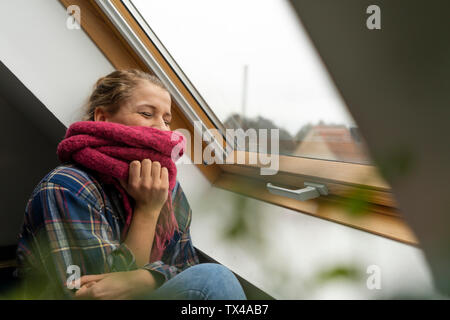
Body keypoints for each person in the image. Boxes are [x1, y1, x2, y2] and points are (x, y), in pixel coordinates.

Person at [15, 69, 246, 300]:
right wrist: (148, 210)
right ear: (103, 119)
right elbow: (97, 294)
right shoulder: (66, 187)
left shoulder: (167, 187)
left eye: (167, 120)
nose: (162, 128)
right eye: (147, 114)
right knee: (213, 278)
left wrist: (149, 278)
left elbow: (185, 266)